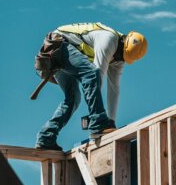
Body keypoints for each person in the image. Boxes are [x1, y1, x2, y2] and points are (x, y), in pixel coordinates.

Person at [35, 22, 148, 151]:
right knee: (91, 73)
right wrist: (99, 122)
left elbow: (114, 89)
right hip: (58, 45)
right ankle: (98, 123)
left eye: (123, 58)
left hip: (64, 53)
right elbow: (96, 75)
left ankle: (46, 138)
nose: (118, 59)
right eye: (120, 55)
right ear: (123, 42)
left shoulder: (119, 58)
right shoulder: (109, 40)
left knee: (73, 99)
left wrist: (111, 122)